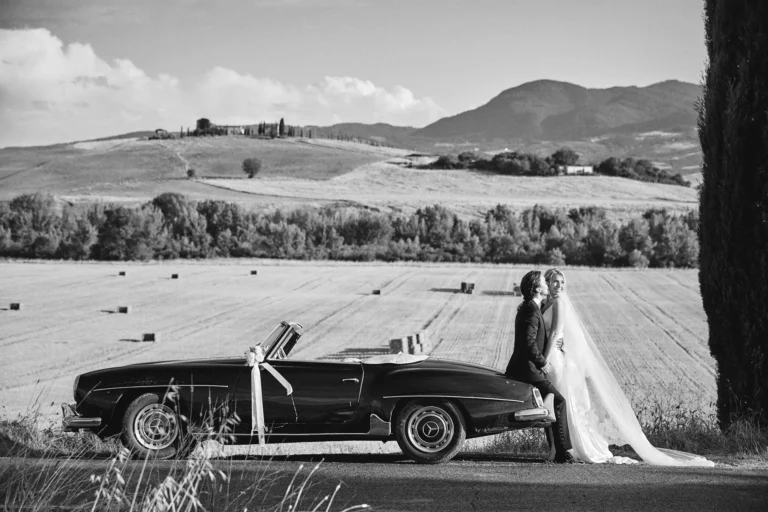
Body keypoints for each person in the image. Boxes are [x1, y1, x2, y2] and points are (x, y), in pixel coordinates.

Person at [539, 267, 714, 467]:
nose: (559, 286)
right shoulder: (549, 303)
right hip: (555, 357)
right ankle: (559, 448)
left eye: (562, 282)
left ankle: (569, 448)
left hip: (556, 359)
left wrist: (544, 358)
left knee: (561, 405)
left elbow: (554, 334)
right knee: (555, 405)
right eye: (554, 282)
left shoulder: (560, 303)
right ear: (547, 283)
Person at [505, 270, 574, 463]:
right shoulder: (530, 309)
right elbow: (528, 343)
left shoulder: (533, 307)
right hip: (527, 369)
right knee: (559, 401)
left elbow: (541, 336)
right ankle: (561, 453)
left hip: (526, 366)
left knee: (551, 404)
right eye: (545, 281)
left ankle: (558, 451)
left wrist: (560, 343)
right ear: (537, 288)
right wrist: (542, 362)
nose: (548, 283)